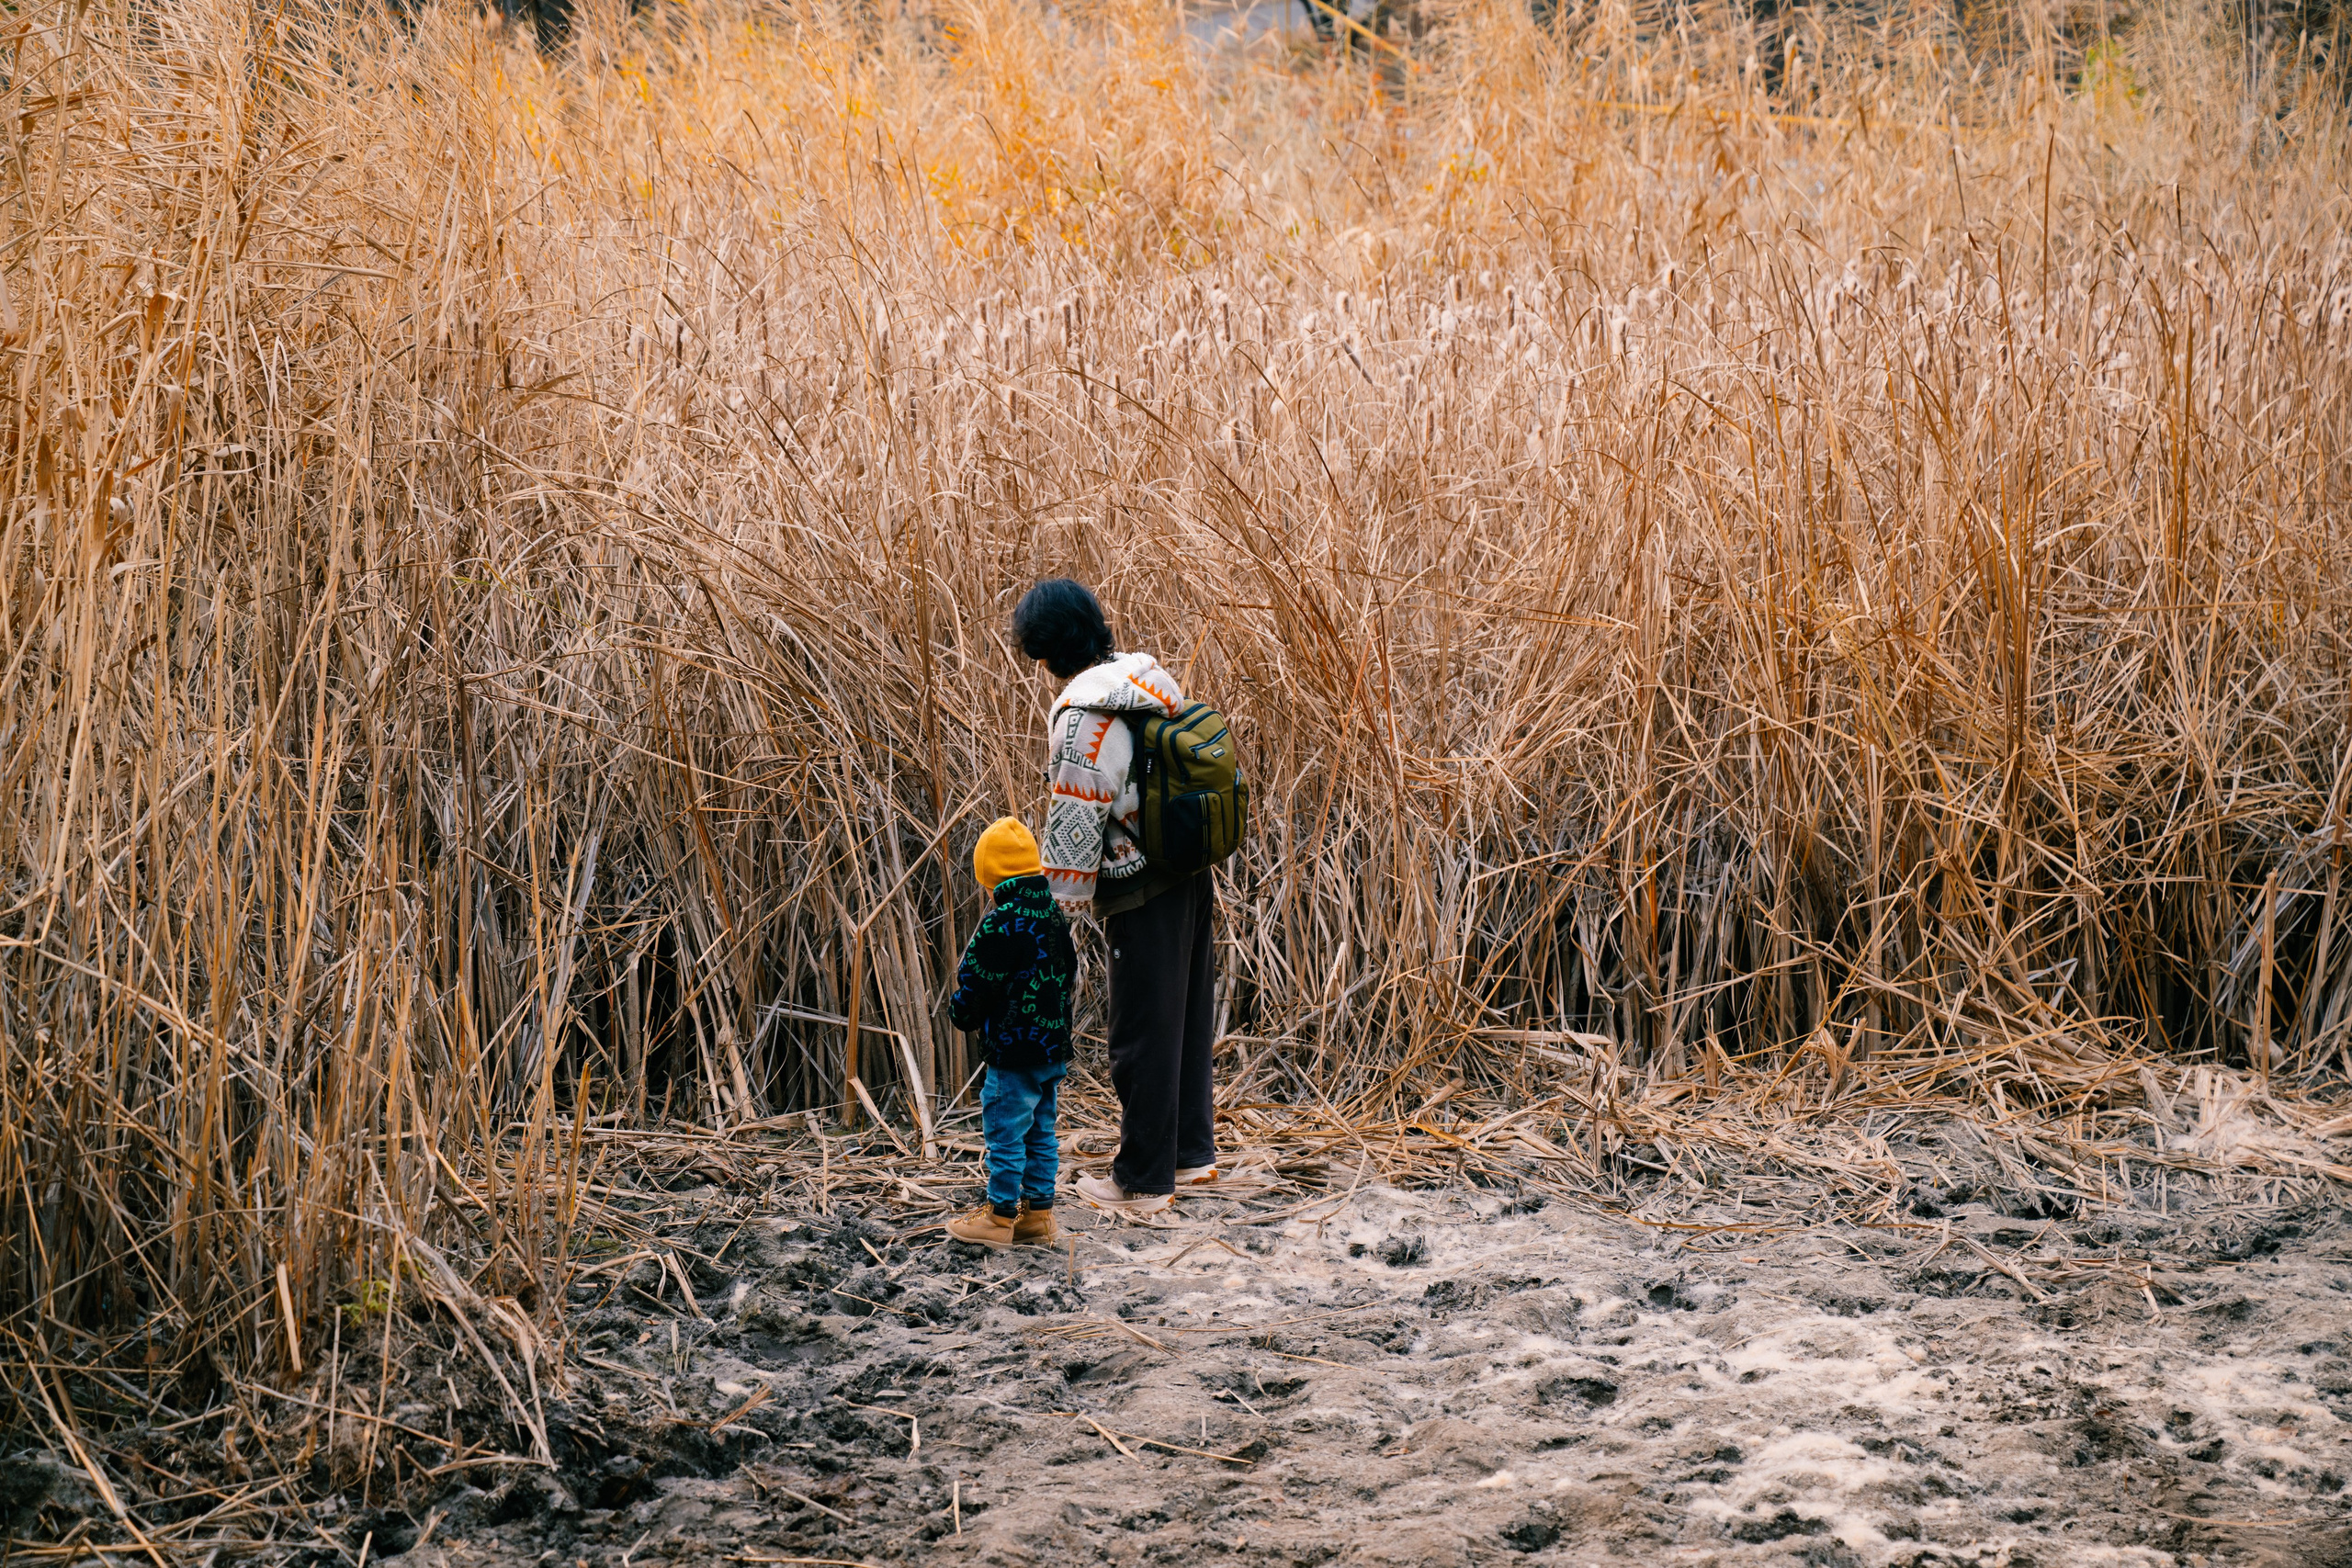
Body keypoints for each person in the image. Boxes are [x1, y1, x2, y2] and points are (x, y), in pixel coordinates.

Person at [1013, 579, 1219, 1216]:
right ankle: (1192, 1154)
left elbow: (1076, 822)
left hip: (1139, 883)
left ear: (1049, 653)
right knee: (1183, 1019)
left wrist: (1055, 907)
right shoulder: (1146, 680)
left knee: (1141, 1034)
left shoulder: (1081, 718)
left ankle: (1142, 1182)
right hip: (1188, 867)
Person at [945, 818, 1076, 1249]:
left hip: (1012, 1050)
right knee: (1042, 1129)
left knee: (1005, 1131)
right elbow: (1068, 971)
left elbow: (979, 981)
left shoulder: (1000, 922)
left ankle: (1000, 1217)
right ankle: (1039, 1215)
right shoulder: (1054, 915)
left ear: (992, 878)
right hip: (1051, 1048)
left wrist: (960, 1012)